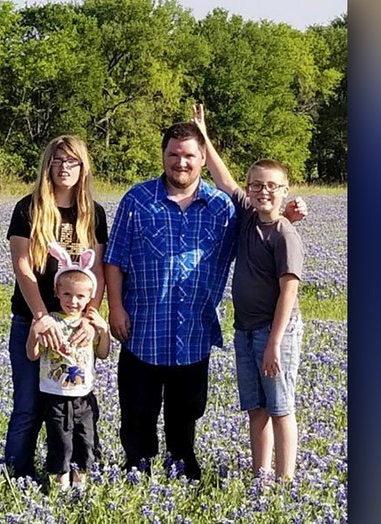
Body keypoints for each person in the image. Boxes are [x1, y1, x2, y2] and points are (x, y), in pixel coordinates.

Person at [103, 118, 306, 480]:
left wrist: (285, 216)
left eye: (189, 156)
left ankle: (182, 470)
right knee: (137, 413)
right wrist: (115, 307)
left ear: (202, 159)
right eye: (174, 154)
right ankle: (138, 470)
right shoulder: (137, 198)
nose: (181, 162)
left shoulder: (221, 208)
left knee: (186, 413)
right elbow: (114, 258)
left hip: (192, 333)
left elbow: (263, 227)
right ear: (163, 155)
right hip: (141, 329)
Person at [193, 103, 305, 479]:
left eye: (272, 186)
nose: (262, 191)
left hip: (276, 333)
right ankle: (261, 476)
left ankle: (285, 479)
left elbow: (288, 291)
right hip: (245, 329)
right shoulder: (246, 215)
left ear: (285, 191)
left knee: (280, 407)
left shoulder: (286, 234)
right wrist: (204, 135)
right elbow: (223, 178)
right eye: (256, 184)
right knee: (256, 408)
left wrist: (274, 342)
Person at [4, 135, 108, 479]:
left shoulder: (93, 213)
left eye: (72, 161)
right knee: (28, 406)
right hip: (33, 320)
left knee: (75, 403)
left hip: (75, 325)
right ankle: (16, 476)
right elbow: (22, 265)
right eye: (58, 161)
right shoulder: (28, 207)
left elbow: (97, 269)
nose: (64, 168)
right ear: (47, 165)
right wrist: (41, 318)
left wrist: (90, 317)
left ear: (83, 167)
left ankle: (71, 472)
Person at [27, 243, 110, 491]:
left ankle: (80, 484)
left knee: (86, 440)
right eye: (67, 295)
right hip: (55, 395)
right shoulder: (49, 321)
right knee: (60, 442)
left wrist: (103, 330)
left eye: (80, 296)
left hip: (84, 396)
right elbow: (31, 355)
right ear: (56, 292)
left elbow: (103, 353)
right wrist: (34, 331)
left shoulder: (90, 323)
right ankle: (60, 485)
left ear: (89, 297)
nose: (73, 301)